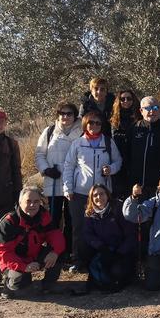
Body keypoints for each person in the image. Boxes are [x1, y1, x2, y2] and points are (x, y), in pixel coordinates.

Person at [62, 111, 122, 270]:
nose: (94, 126)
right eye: (91, 123)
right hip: (80, 192)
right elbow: (68, 166)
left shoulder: (108, 143)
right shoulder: (77, 143)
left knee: (102, 228)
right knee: (79, 228)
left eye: (98, 123)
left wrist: (111, 169)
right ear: (85, 124)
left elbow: (118, 161)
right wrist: (67, 188)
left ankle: (100, 259)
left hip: (102, 194)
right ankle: (79, 261)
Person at [0, 187, 65, 299]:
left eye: (36, 201)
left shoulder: (43, 215)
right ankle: (9, 283)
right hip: (13, 261)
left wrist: (54, 252)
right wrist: (24, 267)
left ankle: (48, 285)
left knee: (59, 254)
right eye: (28, 201)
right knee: (21, 286)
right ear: (20, 202)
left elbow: (56, 235)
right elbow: (1, 252)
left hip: (33, 255)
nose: (32, 205)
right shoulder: (9, 222)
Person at [35, 102, 81, 263]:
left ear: (75, 115)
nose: (66, 117)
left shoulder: (81, 131)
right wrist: (46, 170)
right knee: (52, 219)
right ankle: (52, 251)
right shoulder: (49, 131)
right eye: (62, 113)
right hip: (53, 182)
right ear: (58, 115)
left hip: (73, 183)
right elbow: (40, 153)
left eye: (69, 113)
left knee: (71, 219)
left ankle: (68, 252)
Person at [81, 184, 137, 292]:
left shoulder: (118, 208)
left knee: (117, 271)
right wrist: (101, 247)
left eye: (101, 194)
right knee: (83, 246)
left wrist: (120, 252)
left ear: (107, 195)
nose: (98, 197)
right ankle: (94, 275)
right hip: (103, 249)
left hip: (120, 250)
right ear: (91, 198)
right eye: (95, 195)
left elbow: (131, 234)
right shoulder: (89, 213)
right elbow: (88, 234)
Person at [109, 89, 140, 200]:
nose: (125, 101)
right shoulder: (114, 120)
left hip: (134, 161)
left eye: (129, 98)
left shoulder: (139, 118)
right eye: (122, 99)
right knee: (118, 194)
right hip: (118, 160)